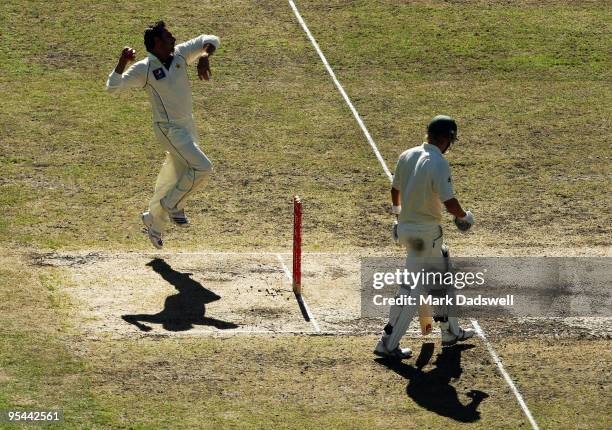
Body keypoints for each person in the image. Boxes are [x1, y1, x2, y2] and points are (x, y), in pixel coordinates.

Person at [106, 21, 220, 249]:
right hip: (169, 130)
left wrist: (205, 56)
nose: (174, 39)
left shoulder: (179, 55)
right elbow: (113, 87)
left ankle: (153, 221)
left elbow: (211, 39)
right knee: (203, 168)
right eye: (169, 37)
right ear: (157, 42)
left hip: (188, 126)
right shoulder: (144, 68)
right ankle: (173, 204)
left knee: (174, 177)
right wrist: (122, 63)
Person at [374, 115, 476, 360]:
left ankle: (450, 331)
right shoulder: (438, 163)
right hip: (425, 235)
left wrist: (398, 219)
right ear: (445, 139)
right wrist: (465, 217)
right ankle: (387, 343)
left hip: (408, 230)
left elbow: (395, 189)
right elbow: (449, 201)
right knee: (413, 289)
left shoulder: (407, 155)